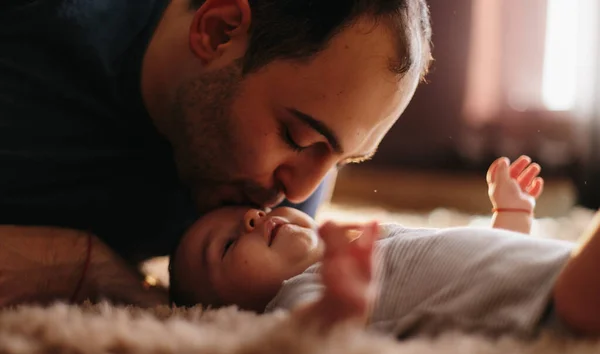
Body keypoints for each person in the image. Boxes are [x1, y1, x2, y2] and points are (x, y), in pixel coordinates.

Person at [0, 0, 432, 306]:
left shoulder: (273, 212)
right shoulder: (32, 24)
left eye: (340, 161)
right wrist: (71, 260)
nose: (299, 191)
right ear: (218, 30)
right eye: (296, 137)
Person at [170, 155, 600, 338]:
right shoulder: (300, 292)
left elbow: (491, 266)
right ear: (229, 312)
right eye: (226, 246)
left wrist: (510, 216)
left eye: (254, 211)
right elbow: (306, 336)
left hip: (555, 274)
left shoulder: (358, 244)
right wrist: (341, 304)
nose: (253, 217)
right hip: (553, 309)